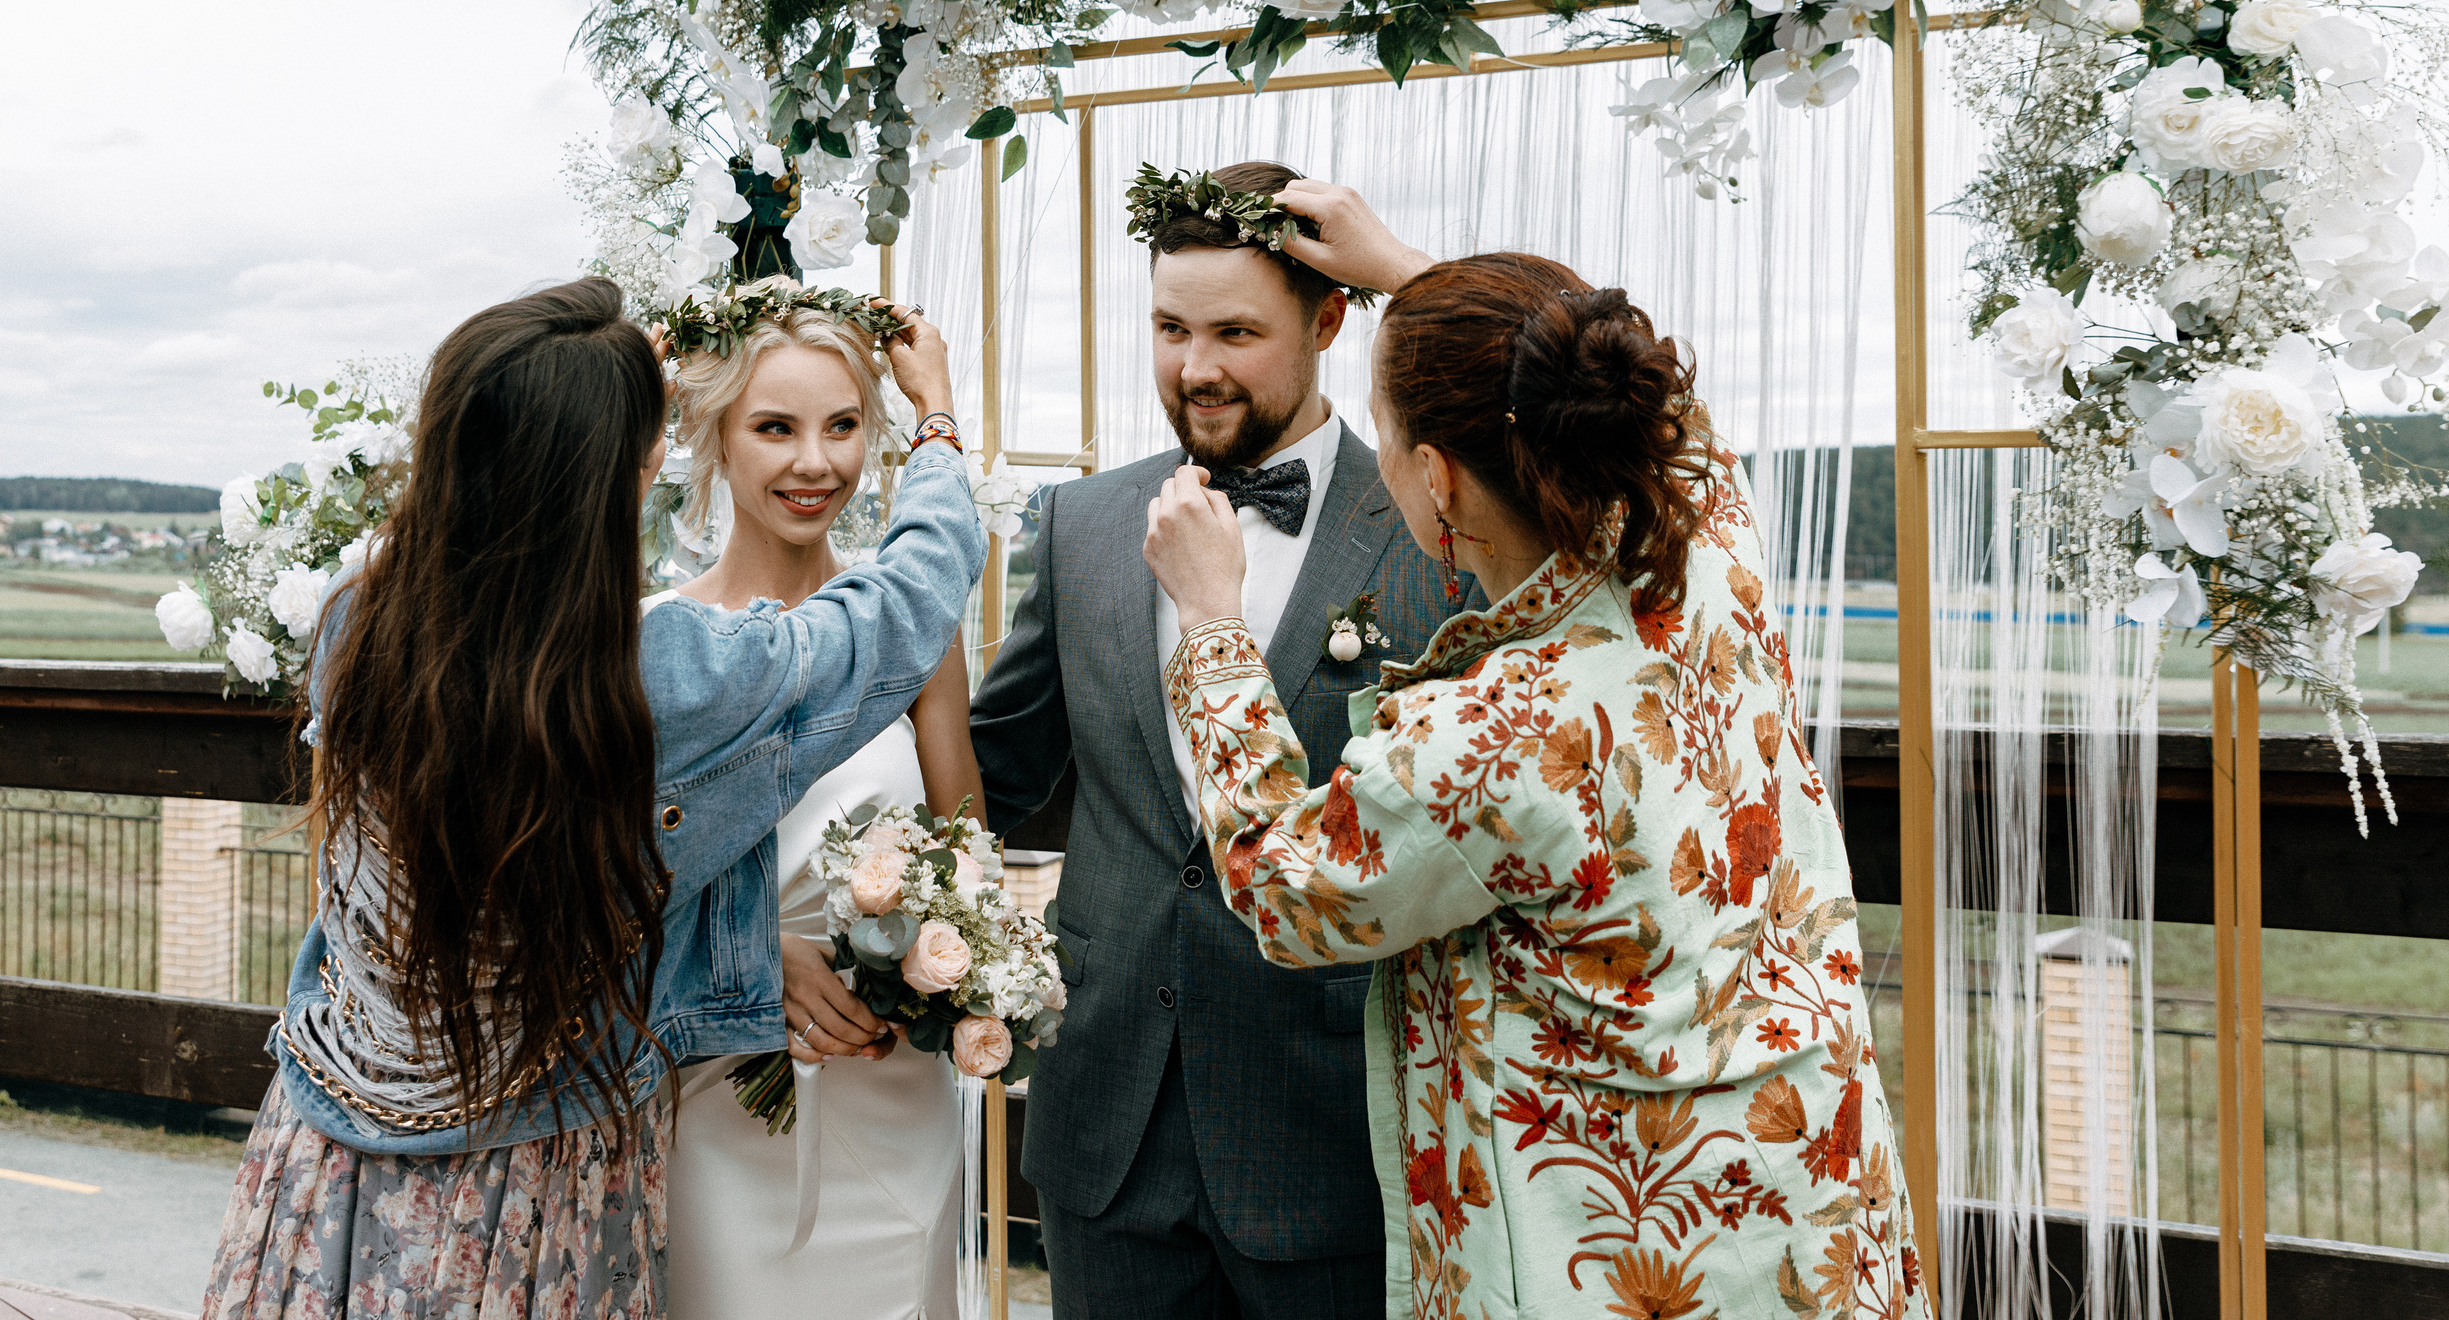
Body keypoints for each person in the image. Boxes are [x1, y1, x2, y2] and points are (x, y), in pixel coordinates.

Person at [1143, 201, 1931, 1320]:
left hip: (1614, 1259)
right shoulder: (1705, 555)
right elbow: (1665, 420)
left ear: (1440, 481)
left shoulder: (1495, 735)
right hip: (1806, 1202)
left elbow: (1281, 884)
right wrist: (1426, 281)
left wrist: (1212, 625)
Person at [201, 275, 986, 1319]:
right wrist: (931, 418)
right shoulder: (662, 670)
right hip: (529, 1180)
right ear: (647, 461)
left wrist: (580, 383)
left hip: (329, 1157)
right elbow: (916, 588)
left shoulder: (362, 622)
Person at [970, 162, 1479, 1320]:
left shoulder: (1431, 522)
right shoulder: (1085, 522)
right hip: (1107, 1137)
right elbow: (994, 774)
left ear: (1330, 320)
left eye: (1236, 332)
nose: (1195, 367)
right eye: (1169, 328)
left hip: (1336, 1136)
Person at [656, 278, 983, 1319]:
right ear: (714, 439)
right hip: (721, 1097)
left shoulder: (913, 630)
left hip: (893, 1089)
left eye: (843, 426)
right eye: (775, 427)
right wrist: (754, 961)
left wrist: (930, 959)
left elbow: (963, 838)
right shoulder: (661, 643)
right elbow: (621, 883)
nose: (816, 462)